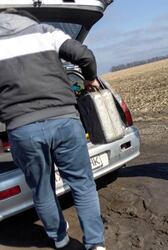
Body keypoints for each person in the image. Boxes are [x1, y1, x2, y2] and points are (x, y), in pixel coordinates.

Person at [0, 9, 105, 250]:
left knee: (42, 188)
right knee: (82, 184)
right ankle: (96, 245)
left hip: (22, 128)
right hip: (64, 121)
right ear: (24, 14)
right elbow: (85, 56)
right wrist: (89, 79)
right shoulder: (45, 31)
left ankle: (60, 240)